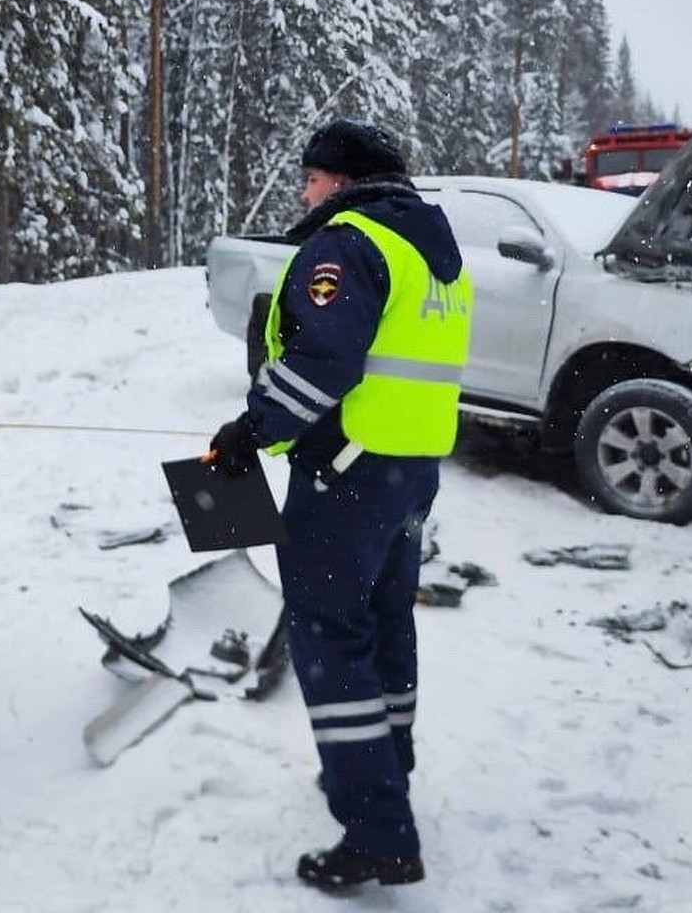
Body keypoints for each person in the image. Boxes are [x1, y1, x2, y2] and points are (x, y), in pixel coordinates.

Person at [208, 119, 472, 894]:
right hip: (409, 472)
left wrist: (252, 429)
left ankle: (377, 831)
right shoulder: (432, 252)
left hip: (344, 475)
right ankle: (387, 768)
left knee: (330, 637)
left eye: (312, 177)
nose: (304, 191)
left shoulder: (348, 242)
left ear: (340, 179)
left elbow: (323, 360)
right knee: (387, 625)